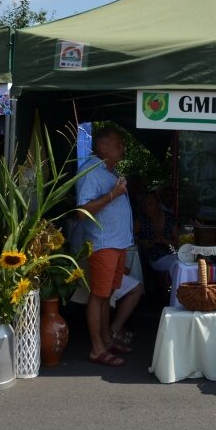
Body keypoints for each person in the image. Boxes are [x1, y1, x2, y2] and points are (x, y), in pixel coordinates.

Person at [76, 126, 133, 367]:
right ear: (102, 147)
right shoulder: (90, 172)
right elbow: (82, 212)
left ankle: (106, 340)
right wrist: (113, 194)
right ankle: (97, 348)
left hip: (116, 244)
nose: (122, 148)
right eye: (118, 144)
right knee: (98, 297)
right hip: (103, 244)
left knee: (107, 296)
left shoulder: (109, 172)